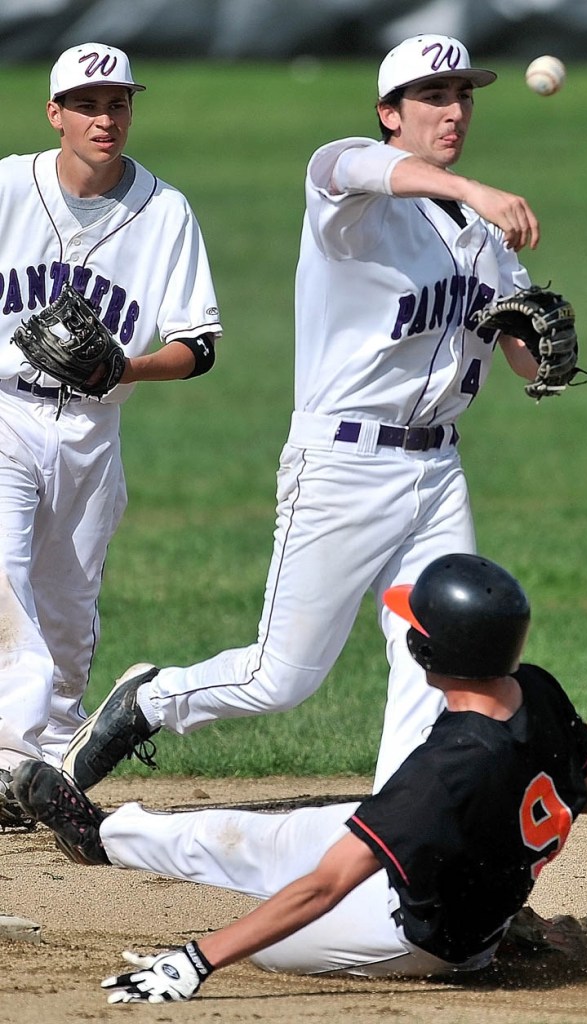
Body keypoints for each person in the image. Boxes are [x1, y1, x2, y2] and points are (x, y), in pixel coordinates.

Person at [61, 33, 549, 798]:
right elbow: (352, 165)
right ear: (389, 114)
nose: (452, 111)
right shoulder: (346, 192)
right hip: (342, 466)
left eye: (462, 96)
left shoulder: (481, 236)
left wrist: (540, 352)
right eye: (431, 97)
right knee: (279, 677)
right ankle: (149, 701)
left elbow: (521, 353)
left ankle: (400, 839)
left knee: (436, 657)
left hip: (437, 469)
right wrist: (473, 190)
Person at [13, 554, 587, 1002]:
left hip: (420, 937)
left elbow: (324, 888)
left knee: (273, 932)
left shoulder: (445, 769)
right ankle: (103, 838)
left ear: (433, 653)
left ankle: (500, 941)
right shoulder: (537, 690)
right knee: (255, 840)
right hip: (447, 873)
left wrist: (195, 961)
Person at [0, 42, 221, 829]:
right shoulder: (7, 186)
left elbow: (199, 346)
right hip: (5, 416)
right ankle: (7, 760)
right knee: (6, 576)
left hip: (94, 430)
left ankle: (49, 767)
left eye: (118, 103)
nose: (105, 118)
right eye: (88, 105)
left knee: (65, 609)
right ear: (54, 113)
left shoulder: (164, 211)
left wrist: (123, 367)